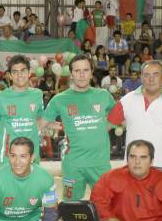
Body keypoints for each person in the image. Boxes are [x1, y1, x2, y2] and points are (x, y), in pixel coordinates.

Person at [40, 54, 115, 200]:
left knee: (106, 205)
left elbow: (117, 116)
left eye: (86, 70)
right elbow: (42, 123)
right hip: (73, 164)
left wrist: (104, 127)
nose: (81, 75)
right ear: (71, 74)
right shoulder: (60, 99)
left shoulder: (103, 96)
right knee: (71, 206)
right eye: (77, 71)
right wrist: (60, 126)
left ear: (91, 72)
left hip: (100, 164)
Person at [0, 55, 44, 164]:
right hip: (7, 159)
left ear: (29, 72)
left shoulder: (37, 95)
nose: (19, 75)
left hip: (31, 158)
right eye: (15, 72)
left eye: (23, 70)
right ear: (9, 75)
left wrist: (64, 125)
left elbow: (41, 120)